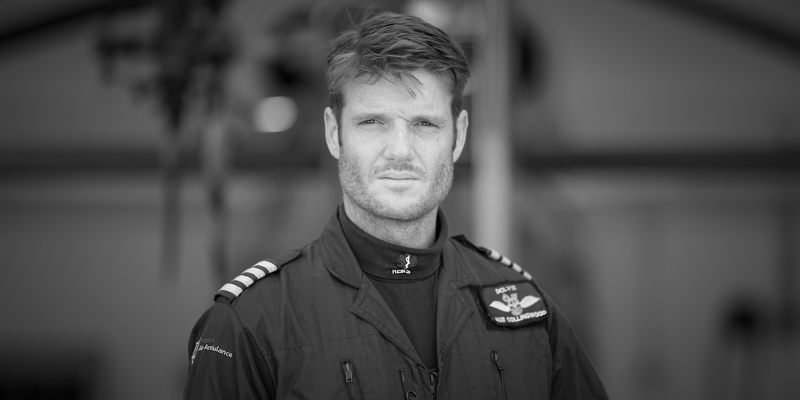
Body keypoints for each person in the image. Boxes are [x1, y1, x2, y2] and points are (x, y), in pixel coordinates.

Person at [183, 12, 608, 399]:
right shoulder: (249, 322)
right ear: (333, 133)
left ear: (458, 133)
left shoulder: (531, 310)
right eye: (372, 122)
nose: (400, 150)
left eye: (425, 123)